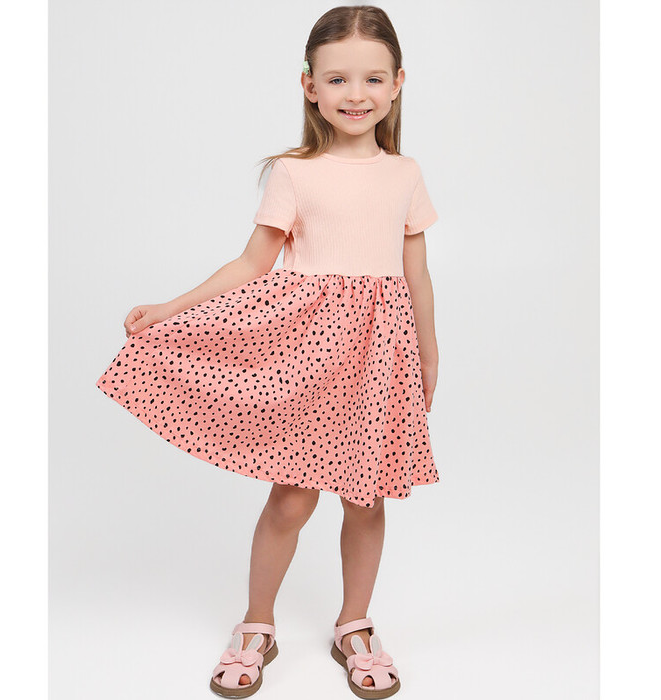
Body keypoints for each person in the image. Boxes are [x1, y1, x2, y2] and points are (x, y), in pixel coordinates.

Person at [96, 5, 441, 698]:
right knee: (290, 499)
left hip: (378, 358)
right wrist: (171, 309)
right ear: (309, 85)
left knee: (366, 499)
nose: (356, 94)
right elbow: (253, 263)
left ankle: (354, 624)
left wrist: (428, 358)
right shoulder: (293, 172)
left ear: (398, 83)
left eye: (373, 78)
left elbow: (416, 273)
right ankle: (257, 623)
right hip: (306, 353)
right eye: (337, 79)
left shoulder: (404, 173)